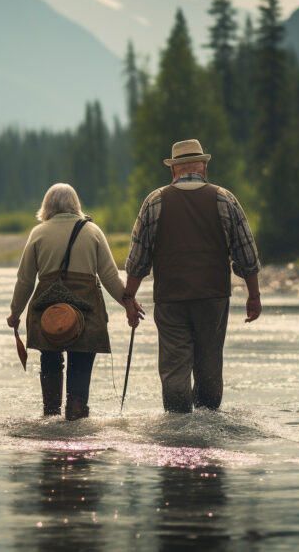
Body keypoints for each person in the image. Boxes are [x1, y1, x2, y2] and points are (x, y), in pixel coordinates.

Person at [121, 139, 261, 413]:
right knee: (209, 366)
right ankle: (208, 423)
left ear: (173, 170)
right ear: (204, 168)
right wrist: (253, 296)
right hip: (213, 299)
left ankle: (178, 426)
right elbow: (247, 255)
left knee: (174, 370)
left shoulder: (154, 202)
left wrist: (129, 298)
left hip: (170, 300)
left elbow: (137, 260)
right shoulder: (225, 198)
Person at [7, 183, 127, 420]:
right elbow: (110, 277)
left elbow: (25, 280)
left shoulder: (38, 233)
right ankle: (76, 411)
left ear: (47, 206)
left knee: (50, 359)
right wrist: (129, 304)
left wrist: (15, 312)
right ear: (76, 204)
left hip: (47, 310)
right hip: (87, 310)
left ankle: (50, 415)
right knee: (81, 360)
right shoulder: (93, 231)